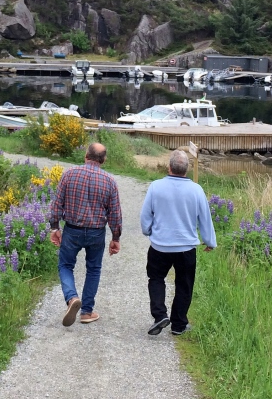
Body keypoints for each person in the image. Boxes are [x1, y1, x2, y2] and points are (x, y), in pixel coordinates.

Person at [140, 150, 216, 336]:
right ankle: (178, 325)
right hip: (186, 247)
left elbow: (145, 215)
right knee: (184, 284)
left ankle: (160, 316)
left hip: (160, 245)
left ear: (169, 167)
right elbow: (205, 218)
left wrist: (148, 231)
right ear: (186, 170)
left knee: (156, 279)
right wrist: (209, 240)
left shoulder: (156, 187)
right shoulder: (196, 190)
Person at [49, 142, 122, 326]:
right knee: (93, 269)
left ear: (85, 156)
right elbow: (115, 214)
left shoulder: (69, 175)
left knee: (65, 265)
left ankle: (72, 298)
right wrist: (115, 238)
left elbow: (57, 204)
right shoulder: (109, 181)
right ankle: (86, 312)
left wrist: (55, 227)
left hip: (72, 229)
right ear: (103, 160)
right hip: (97, 233)